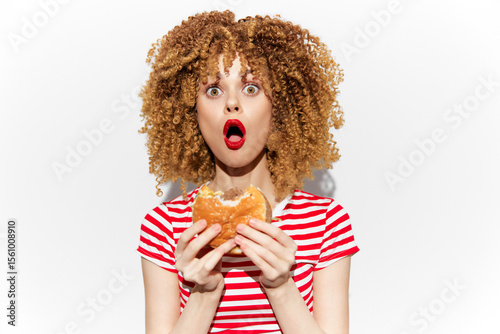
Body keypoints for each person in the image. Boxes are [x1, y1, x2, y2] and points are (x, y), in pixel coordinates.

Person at [136, 10, 360, 334]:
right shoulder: (164, 229)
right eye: (214, 90)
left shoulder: (327, 223)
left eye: (251, 88)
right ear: (192, 113)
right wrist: (204, 293)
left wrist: (282, 287)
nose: (232, 103)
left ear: (279, 108)